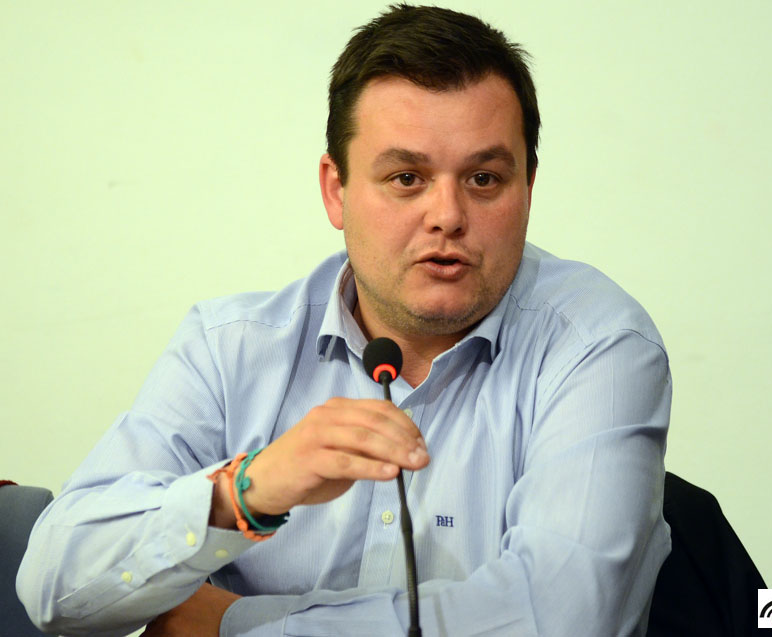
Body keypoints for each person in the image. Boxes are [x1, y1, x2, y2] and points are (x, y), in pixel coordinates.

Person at [18, 4, 672, 636]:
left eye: (483, 179)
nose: (447, 215)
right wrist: (245, 492)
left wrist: (233, 624)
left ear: (527, 186)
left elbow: (563, 618)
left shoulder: (597, 345)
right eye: (407, 177)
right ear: (336, 191)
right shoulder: (230, 349)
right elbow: (53, 587)